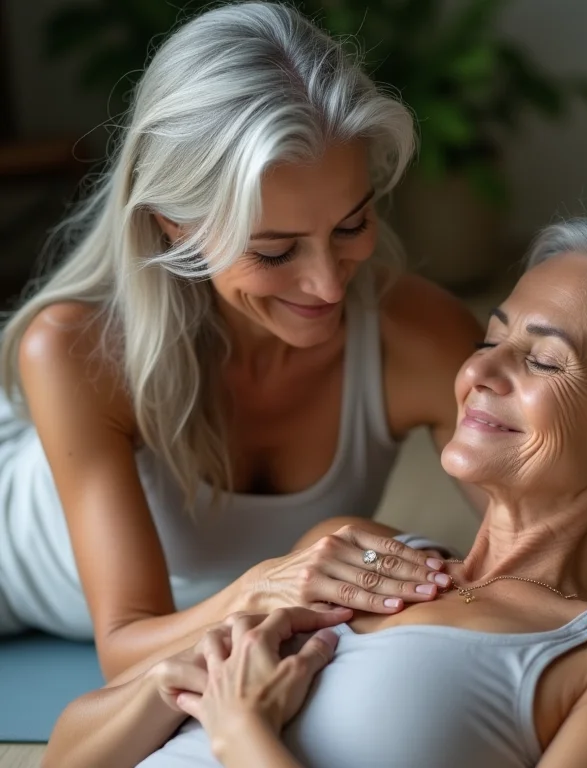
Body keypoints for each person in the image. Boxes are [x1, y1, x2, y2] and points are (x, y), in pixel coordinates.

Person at [44, 216, 587, 767]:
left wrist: (244, 735)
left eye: (545, 360)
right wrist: (177, 679)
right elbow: (66, 753)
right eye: (491, 339)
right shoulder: (351, 554)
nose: (480, 372)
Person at [0, 1, 484, 680]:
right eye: (275, 250)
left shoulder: (421, 337)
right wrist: (275, 585)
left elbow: (547, 563)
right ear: (174, 225)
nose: (326, 285)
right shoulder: (76, 350)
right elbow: (126, 653)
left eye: (350, 225)